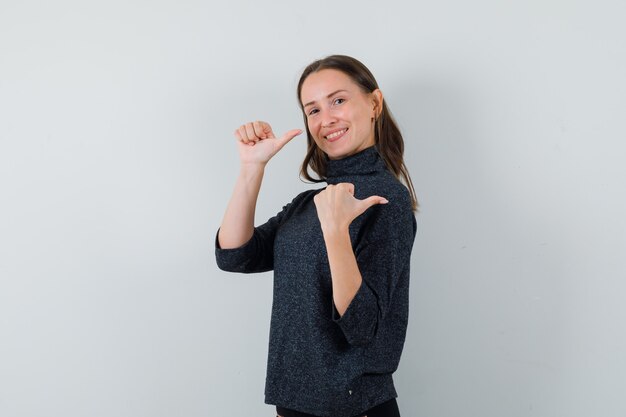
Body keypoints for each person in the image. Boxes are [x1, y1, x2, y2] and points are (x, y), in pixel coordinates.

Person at [215, 55, 418, 417]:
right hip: (294, 405)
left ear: (374, 103)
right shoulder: (311, 202)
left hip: (354, 407)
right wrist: (251, 168)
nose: (326, 119)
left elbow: (362, 326)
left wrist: (336, 231)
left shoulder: (387, 199)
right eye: (313, 110)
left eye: (338, 100)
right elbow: (235, 255)